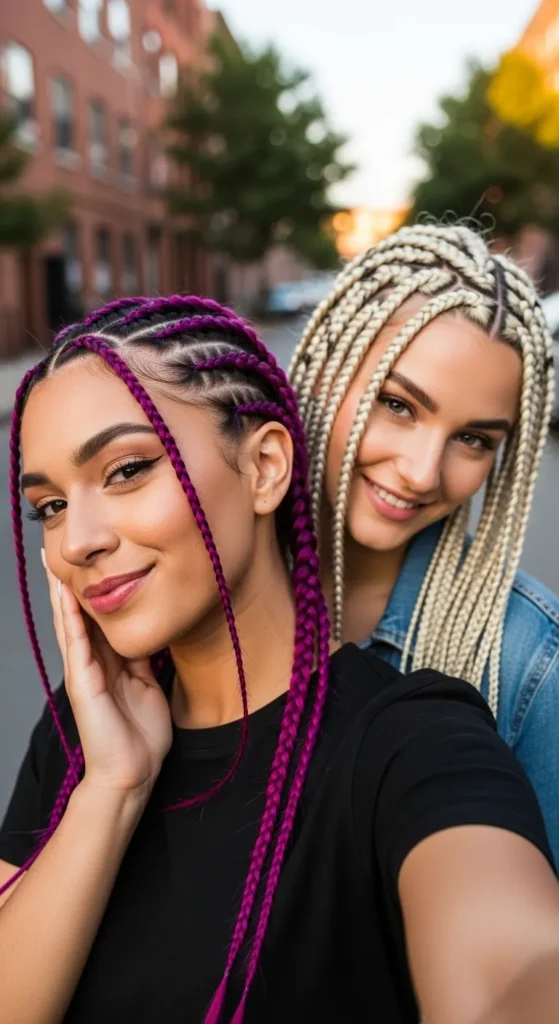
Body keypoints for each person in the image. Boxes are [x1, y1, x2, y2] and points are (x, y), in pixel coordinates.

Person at [1, 296, 559, 1024]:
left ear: (265, 466)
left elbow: (508, 964)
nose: (77, 539)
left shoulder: (409, 743)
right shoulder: (82, 732)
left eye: (127, 469)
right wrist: (111, 788)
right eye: (48, 506)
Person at [289, 223, 559, 865]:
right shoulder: (205, 586)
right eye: (399, 404)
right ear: (328, 369)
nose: (421, 471)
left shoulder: (527, 664)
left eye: (474, 440)